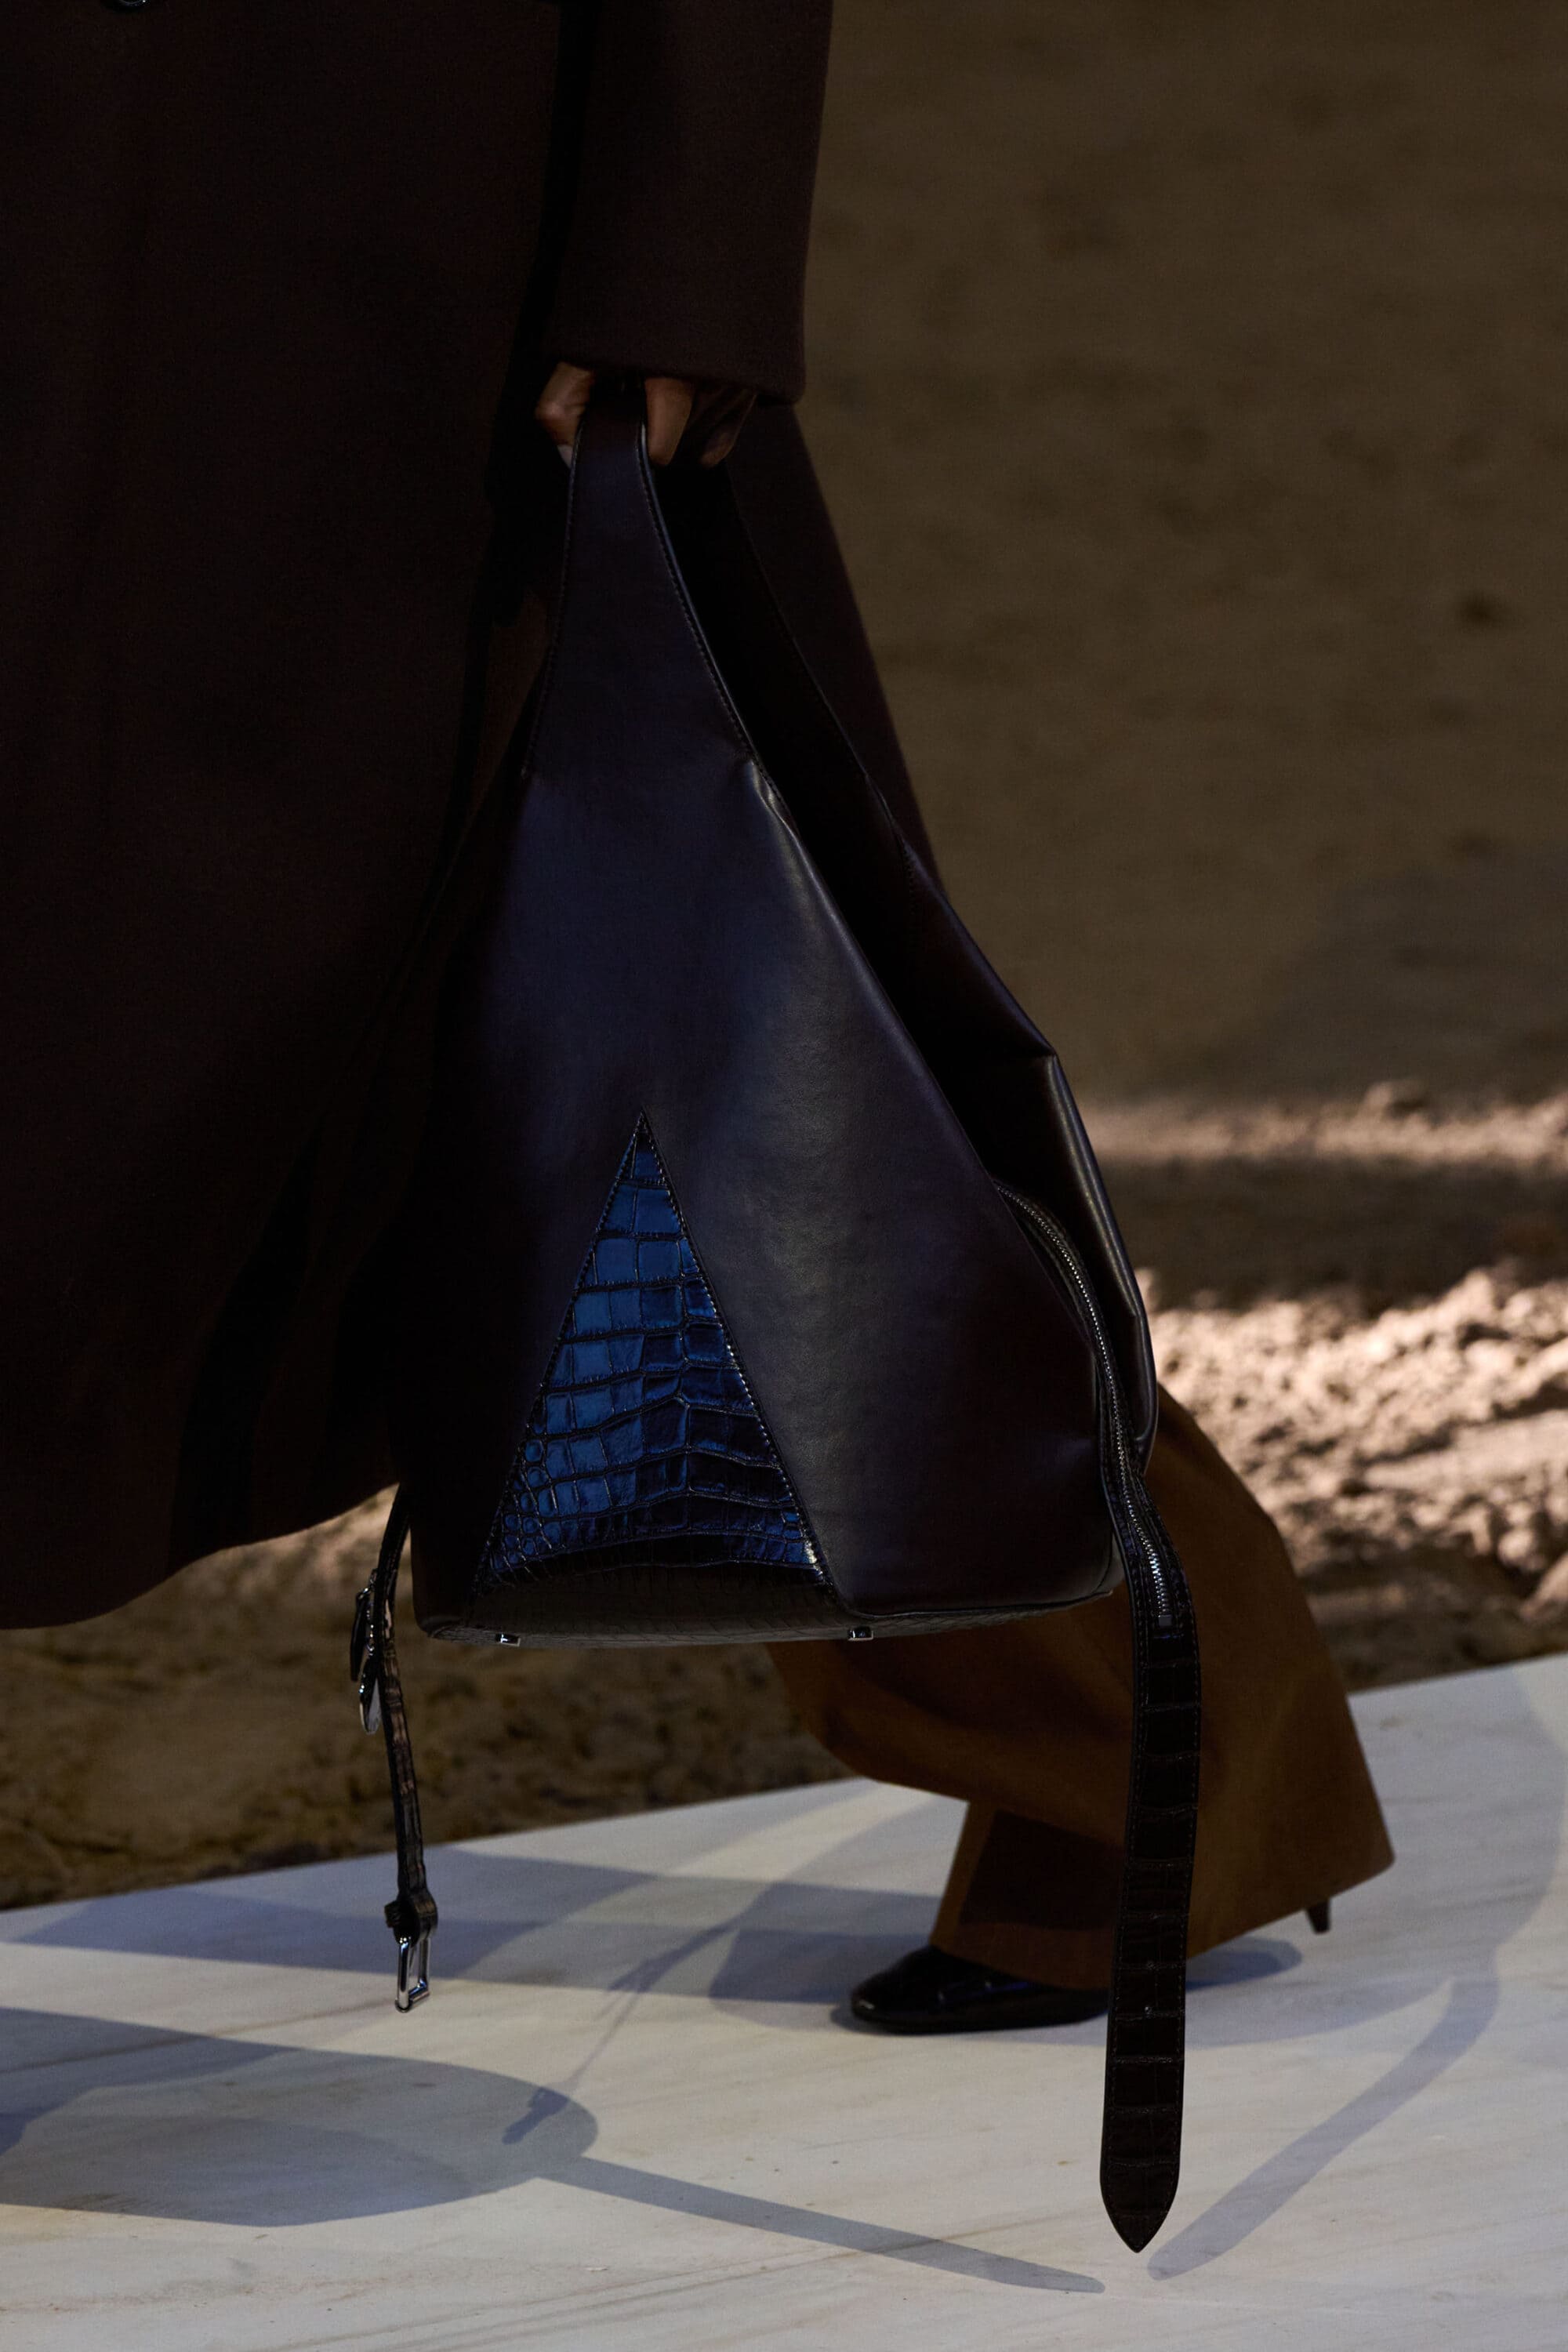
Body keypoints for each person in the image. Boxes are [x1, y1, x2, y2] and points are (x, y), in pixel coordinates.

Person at [0, 0, 1389, 2025]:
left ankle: (1125, 1720)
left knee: (639, 962)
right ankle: (1120, 1719)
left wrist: (686, 226)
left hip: (329, 176)